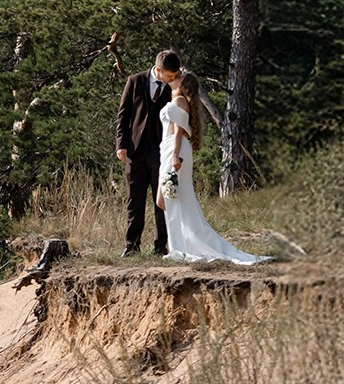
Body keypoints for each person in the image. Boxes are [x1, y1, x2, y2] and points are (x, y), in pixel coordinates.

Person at [155, 70, 271, 265]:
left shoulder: (179, 102)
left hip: (175, 150)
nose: (175, 77)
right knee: (164, 199)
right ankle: (184, 241)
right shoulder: (177, 99)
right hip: (168, 150)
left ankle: (185, 245)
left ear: (184, 84)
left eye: (179, 76)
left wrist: (175, 156)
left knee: (172, 197)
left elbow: (178, 132)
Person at [116, 49, 180, 256]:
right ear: (158, 70)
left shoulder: (173, 87)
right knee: (134, 200)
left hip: (161, 151)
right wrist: (121, 144)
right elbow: (123, 116)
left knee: (161, 200)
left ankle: (161, 246)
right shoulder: (134, 81)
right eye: (170, 76)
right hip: (135, 151)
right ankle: (131, 246)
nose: (174, 79)